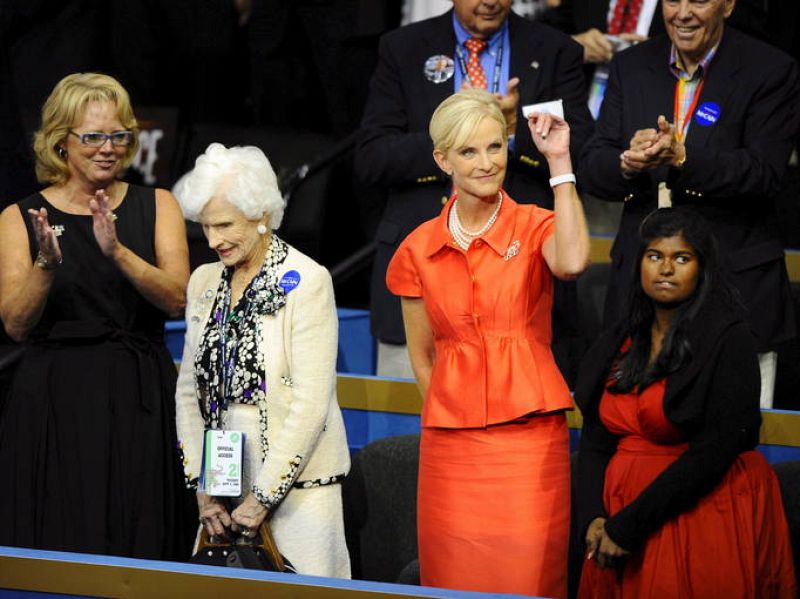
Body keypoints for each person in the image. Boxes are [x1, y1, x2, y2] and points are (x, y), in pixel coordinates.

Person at [386, 88, 590, 596]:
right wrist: (451, 409)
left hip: (527, 442)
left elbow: (572, 262)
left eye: (495, 148)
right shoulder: (417, 248)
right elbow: (422, 355)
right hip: (451, 449)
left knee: (525, 580)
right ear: (443, 159)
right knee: (452, 581)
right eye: (469, 152)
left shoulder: (536, 223)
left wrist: (560, 165)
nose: (486, 163)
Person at [0, 73, 192, 558]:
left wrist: (118, 252)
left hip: (139, 392)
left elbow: (178, 299)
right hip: (54, 398)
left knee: (138, 532)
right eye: (92, 137)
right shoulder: (19, 217)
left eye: (118, 135)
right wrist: (46, 264)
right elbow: (16, 325)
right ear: (60, 141)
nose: (108, 148)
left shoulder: (159, 203)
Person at [578, 0, 800, 408]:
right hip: (639, 297)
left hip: (734, 286)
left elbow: (764, 173)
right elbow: (593, 165)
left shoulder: (771, 69)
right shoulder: (630, 66)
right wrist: (626, 162)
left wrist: (684, 159)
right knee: (633, 438)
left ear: (730, 5)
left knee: (730, 449)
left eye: (698, 0)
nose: (682, 13)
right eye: (673, 0)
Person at [356, 0, 594, 380]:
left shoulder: (554, 49)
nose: (489, 2)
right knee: (408, 432)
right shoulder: (403, 47)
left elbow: (582, 153)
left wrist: (513, 132)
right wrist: (459, 135)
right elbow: (371, 158)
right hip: (424, 270)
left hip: (520, 285)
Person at [574, 207, 796, 598]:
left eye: (681, 258)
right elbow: (594, 440)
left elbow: (716, 450)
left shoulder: (729, 338)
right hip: (614, 516)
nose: (666, 269)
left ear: (701, 268)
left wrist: (630, 525)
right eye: (655, 256)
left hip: (695, 511)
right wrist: (593, 517)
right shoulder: (619, 339)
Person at [174, 143, 351, 578]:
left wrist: (263, 497)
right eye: (206, 226)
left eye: (225, 225)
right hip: (222, 490)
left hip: (300, 492)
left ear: (263, 216)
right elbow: (187, 392)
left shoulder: (308, 281)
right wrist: (204, 489)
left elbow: (312, 401)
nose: (213, 240)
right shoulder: (204, 281)